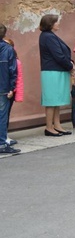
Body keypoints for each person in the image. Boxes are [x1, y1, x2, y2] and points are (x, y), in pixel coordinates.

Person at [39, 14, 75, 137]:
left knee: (56, 100)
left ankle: (57, 124)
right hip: (52, 71)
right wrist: (70, 66)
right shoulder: (48, 37)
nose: (58, 23)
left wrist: (70, 64)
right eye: (56, 22)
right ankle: (49, 127)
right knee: (51, 100)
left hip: (56, 70)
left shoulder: (49, 36)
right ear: (50, 24)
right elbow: (58, 55)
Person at [0, 25, 20, 154]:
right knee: (2, 116)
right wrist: (12, 87)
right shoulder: (8, 49)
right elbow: (12, 70)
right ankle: (2, 143)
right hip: (3, 87)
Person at [2, 36, 22, 148]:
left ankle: (4, 136)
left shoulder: (15, 60)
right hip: (5, 89)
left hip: (9, 90)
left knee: (5, 114)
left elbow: (17, 78)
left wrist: (13, 90)